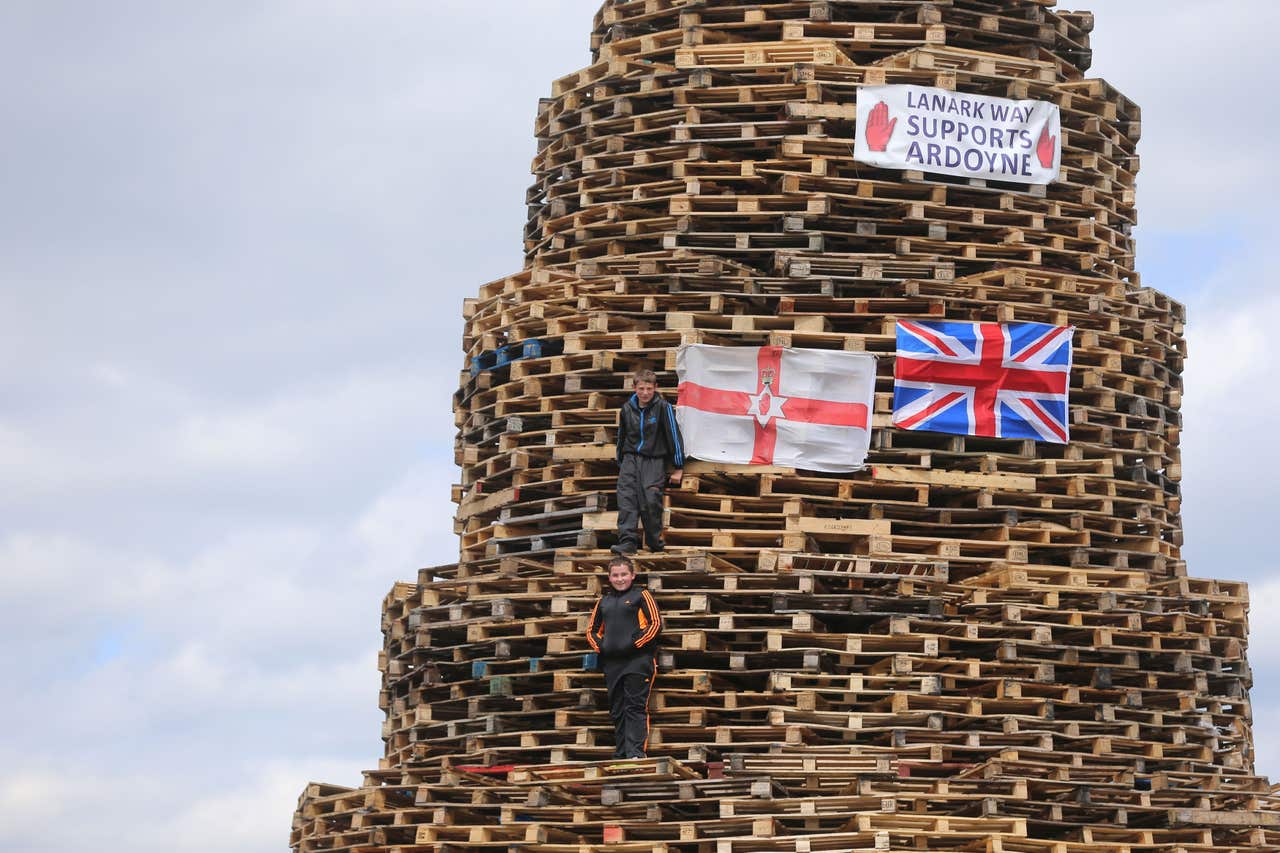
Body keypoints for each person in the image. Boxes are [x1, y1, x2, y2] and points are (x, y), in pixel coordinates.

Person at [585, 555, 662, 759]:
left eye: (624, 574)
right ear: (609, 578)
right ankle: (621, 754)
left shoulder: (641, 595)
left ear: (633, 575)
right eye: (615, 575)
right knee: (617, 709)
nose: (620, 579)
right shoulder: (604, 601)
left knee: (634, 707)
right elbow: (591, 630)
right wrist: (602, 647)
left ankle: (635, 754)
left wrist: (634, 644)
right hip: (612, 664)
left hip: (638, 661)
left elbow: (655, 624)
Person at [613, 368, 685, 555]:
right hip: (630, 460)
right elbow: (622, 436)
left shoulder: (663, 407)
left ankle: (654, 541)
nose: (645, 393)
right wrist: (621, 460)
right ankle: (627, 542)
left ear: (655, 388)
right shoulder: (627, 408)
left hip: (654, 460)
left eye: (649, 389)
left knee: (650, 500)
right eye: (641, 388)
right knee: (626, 499)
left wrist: (678, 467)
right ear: (634, 387)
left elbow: (674, 437)